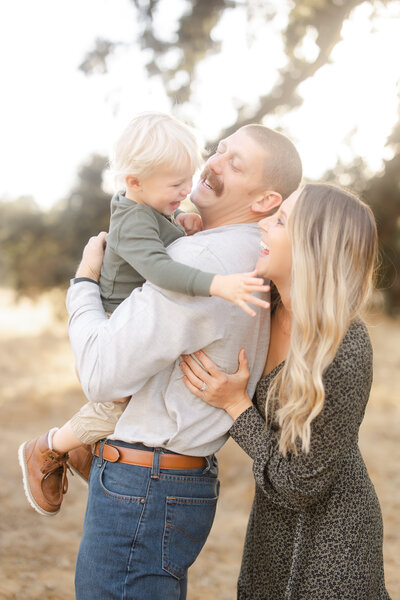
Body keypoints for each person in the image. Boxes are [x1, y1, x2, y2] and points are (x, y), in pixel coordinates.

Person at [50, 123, 301, 600]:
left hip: (142, 484)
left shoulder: (201, 255)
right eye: (221, 149)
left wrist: (84, 283)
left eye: (235, 162)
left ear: (267, 200)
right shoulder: (257, 254)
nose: (214, 162)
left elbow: (101, 375)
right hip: (179, 480)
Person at [18, 113, 273, 517]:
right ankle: (50, 446)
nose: (186, 190)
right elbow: (160, 269)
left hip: (133, 323)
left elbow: (166, 234)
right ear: (134, 183)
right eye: (176, 186)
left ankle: (82, 446)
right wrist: (217, 283)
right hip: (114, 315)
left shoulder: (155, 210)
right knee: (114, 400)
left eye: (186, 180)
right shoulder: (134, 219)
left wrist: (183, 222)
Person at [180, 183, 391, 600]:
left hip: (333, 541)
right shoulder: (263, 304)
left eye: (280, 221)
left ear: (312, 247)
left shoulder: (344, 348)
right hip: (270, 525)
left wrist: (237, 406)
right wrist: (189, 228)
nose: (262, 223)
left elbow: (300, 484)